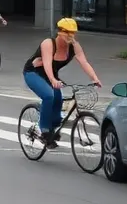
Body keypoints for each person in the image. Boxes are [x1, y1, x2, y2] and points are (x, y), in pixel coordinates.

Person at [21, 17, 103, 147]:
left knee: (58, 99)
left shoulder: (74, 46)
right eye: (67, 32)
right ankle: (45, 131)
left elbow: (84, 62)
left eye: (73, 33)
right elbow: (47, 64)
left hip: (51, 75)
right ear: (60, 31)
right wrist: (53, 80)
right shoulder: (48, 43)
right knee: (49, 96)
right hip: (33, 73)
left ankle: (53, 128)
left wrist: (95, 78)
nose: (71, 36)